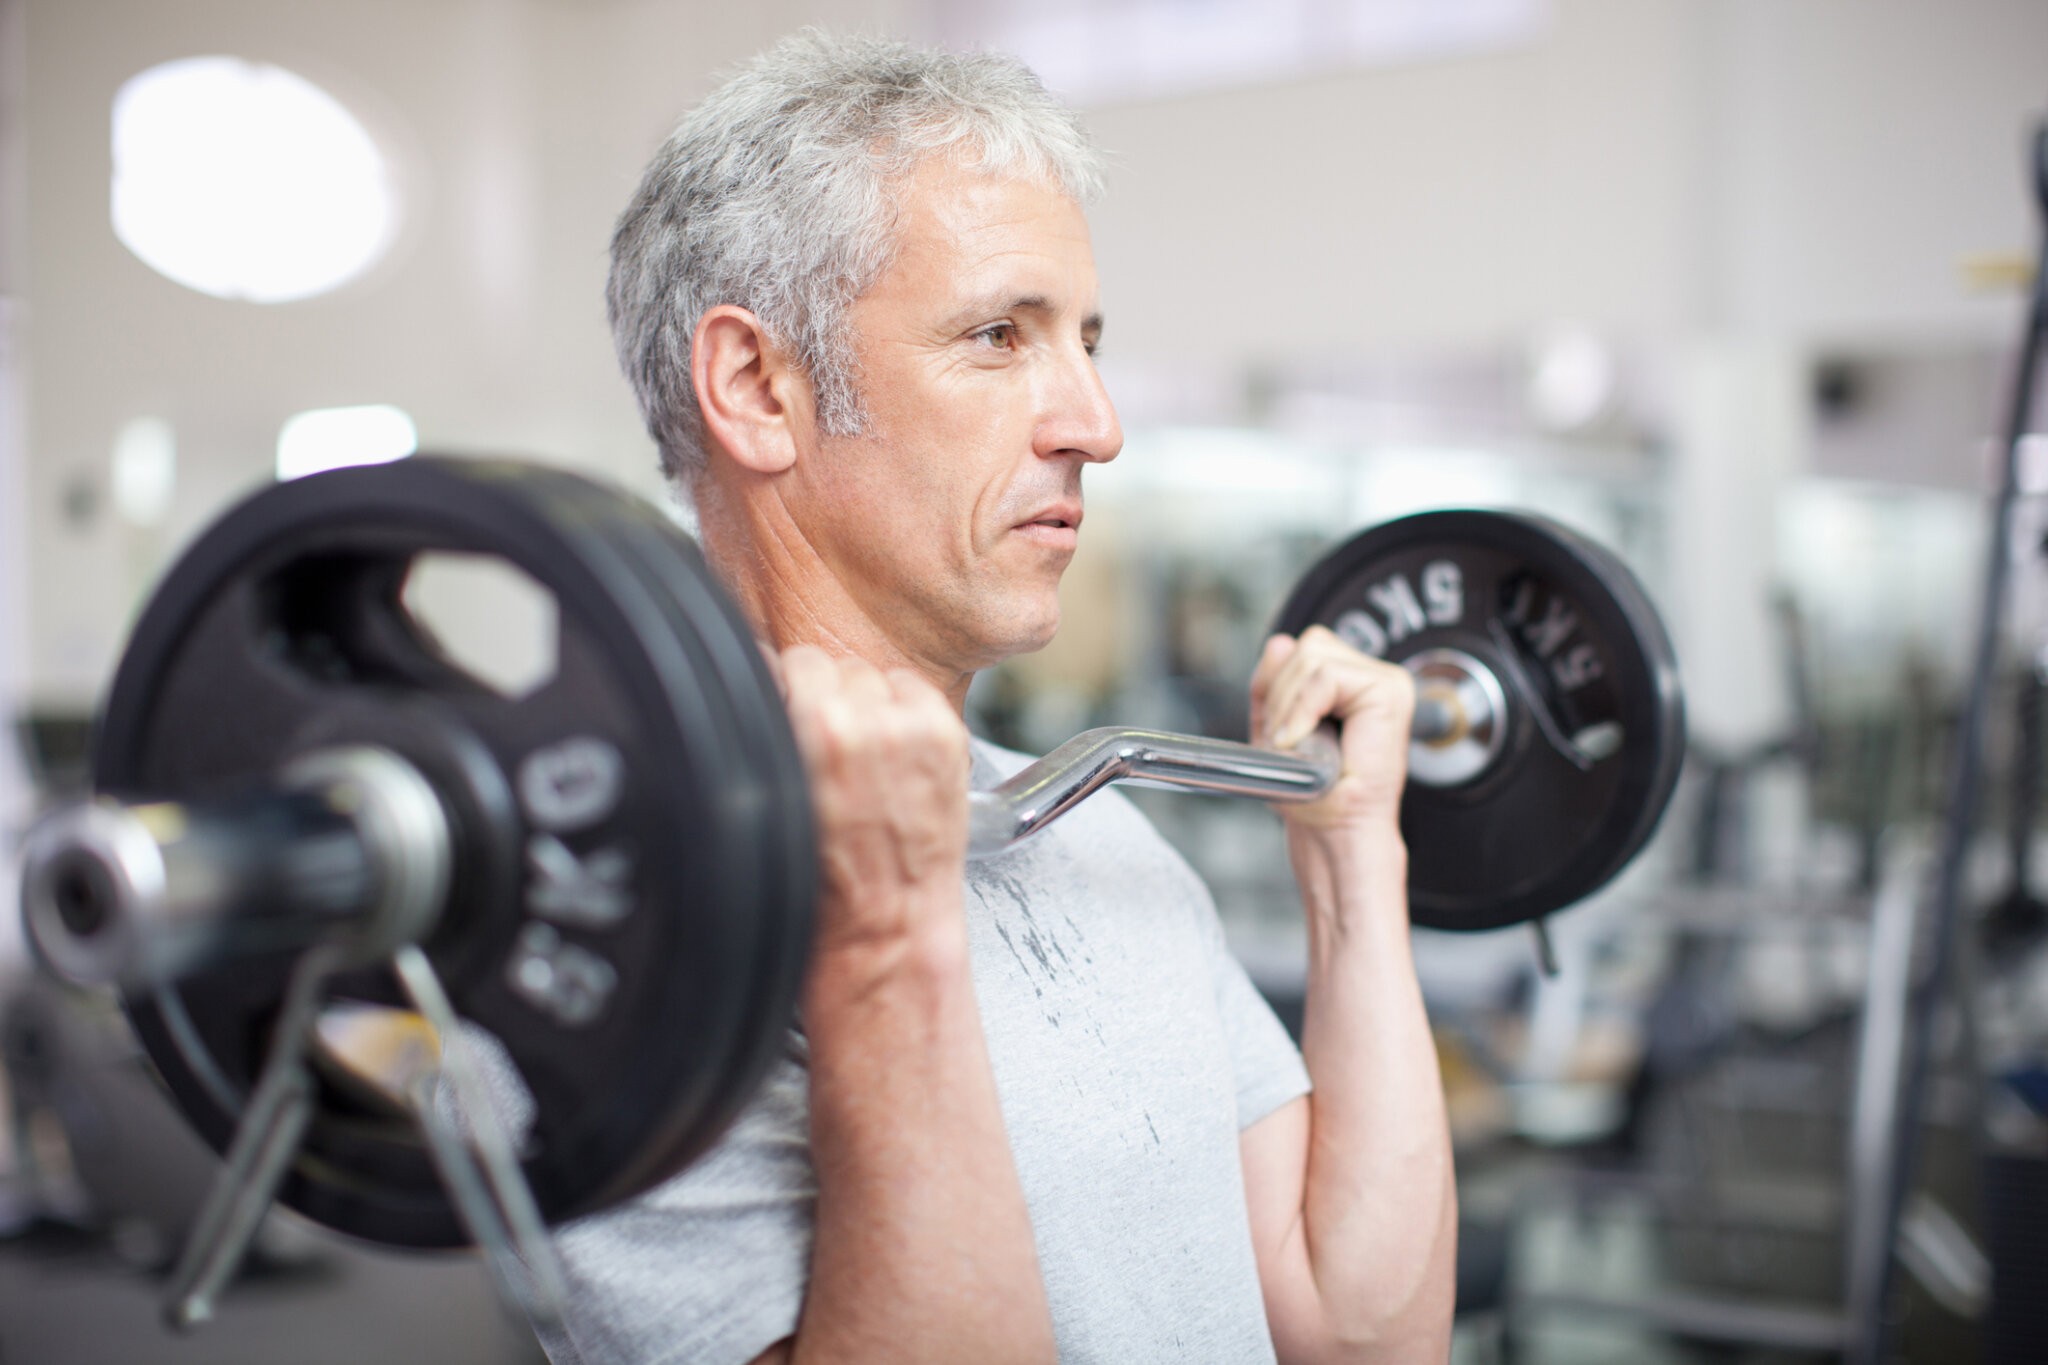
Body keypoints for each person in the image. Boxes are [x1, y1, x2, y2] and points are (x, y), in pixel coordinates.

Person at [544, 30, 1455, 1364]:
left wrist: (1351, 859)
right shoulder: (607, 933)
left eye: (1084, 342)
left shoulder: (1094, 819)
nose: (1096, 419)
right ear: (756, 387)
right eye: (997, 336)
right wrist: (882, 944)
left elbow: (1357, 1329)